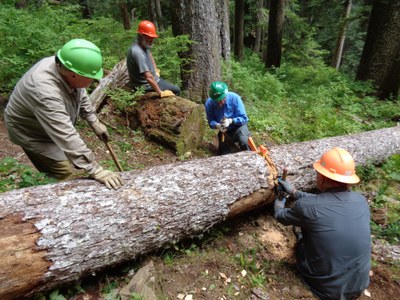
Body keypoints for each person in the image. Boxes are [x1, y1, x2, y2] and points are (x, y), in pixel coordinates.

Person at [4, 39, 123, 190]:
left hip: (49, 123)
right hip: (31, 132)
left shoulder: (68, 67)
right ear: (74, 75)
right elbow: (65, 133)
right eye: (90, 77)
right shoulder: (44, 89)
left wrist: (93, 121)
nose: (94, 80)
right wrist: (95, 169)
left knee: (69, 158)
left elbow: (80, 92)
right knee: (63, 172)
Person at [274, 147, 371, 300]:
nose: (316, 177)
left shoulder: (307, 207)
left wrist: (280, 201)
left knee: (300, 235)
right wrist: (294, 192)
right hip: (358, 284)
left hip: (326, 288)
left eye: (318, 173)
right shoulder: (360, 201)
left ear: (324, 178)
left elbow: (280, 215)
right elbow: (323, 203)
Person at [126, 20, 181, 97]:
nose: (151, 40)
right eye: (149, 38)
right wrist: (160, 92)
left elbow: (149, 54)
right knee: (176, 90)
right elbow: (148, 77)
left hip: (152, 79)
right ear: (142, 35)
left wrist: (155, 70)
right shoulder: (137, 52)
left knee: (170, 85)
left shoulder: (142, 44)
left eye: (152, 37)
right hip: (145, 85)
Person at [205, 81, 251, 155]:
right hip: (225, 131)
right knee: (223, 153)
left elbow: (244, 118)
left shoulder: (235, 98)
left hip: (239, 127)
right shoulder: (209, 104)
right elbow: (211, 122)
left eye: (223, 98)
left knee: (244, 141)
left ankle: (251, 157)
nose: (222, 102)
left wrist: (231, 121)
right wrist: (217, 125)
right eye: (219, 100)